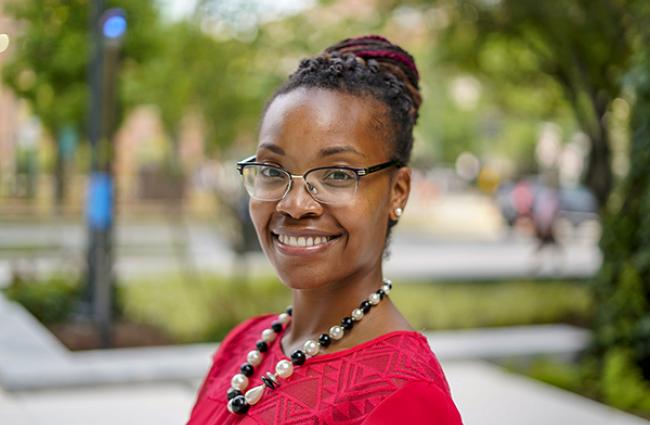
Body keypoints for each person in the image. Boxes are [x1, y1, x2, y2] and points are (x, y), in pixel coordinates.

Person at [187, 35, 463, 425]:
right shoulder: (243, 344)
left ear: (397, 191)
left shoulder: (404, 395)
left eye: (337, 174)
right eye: (271, 170)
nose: (294, 204)